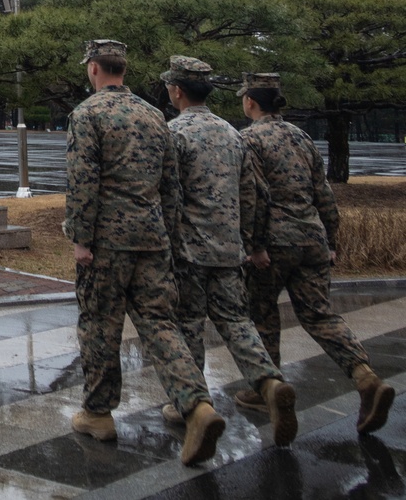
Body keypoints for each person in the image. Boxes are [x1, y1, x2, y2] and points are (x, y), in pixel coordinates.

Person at [65, 39, 227, 467]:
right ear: (123, 69)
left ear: (95, 69)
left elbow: (84, 180)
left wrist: (81, 238)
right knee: (160, 324)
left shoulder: (88, 114)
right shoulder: (156, 116)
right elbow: (171, 186)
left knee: (100, 326)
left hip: (107, 243)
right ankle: (197, 405)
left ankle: (98, 414)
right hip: (154, 237)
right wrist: (168, 236)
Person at [239, 71, 395, 435]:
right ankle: (365, 376)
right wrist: (332, 241)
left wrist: (255, 245)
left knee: (262, 316)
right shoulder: (302, 137)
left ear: (250, 101)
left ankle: (268, 390)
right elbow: (323, 192)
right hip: (312, 239)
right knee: (320, 315)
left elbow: (254, 198)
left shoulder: (247, 140)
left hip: (273, 244)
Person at [161, 55, 297, 445]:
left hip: (188, 250)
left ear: (177, 90)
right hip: (229, 249)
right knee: (237, 323)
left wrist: (167, 244)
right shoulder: (232, 134)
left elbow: (169, 196)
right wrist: (250, 242)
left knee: (188, 326)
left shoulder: (175, 134)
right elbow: (254, 194)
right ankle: (270, 383)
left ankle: (191, 403)